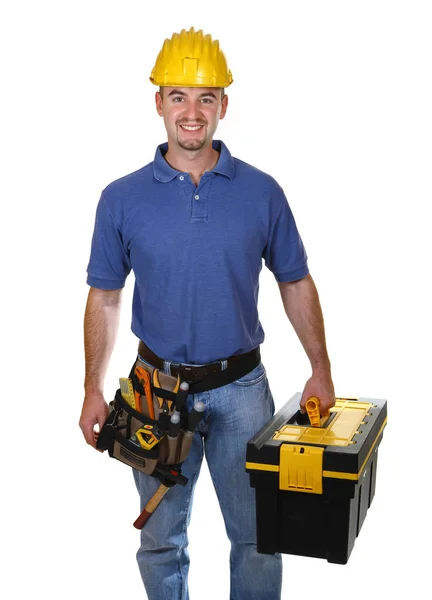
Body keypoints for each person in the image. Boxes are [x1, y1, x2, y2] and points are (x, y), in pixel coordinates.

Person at [79, 27, 335, 600]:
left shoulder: (263, 192)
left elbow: (294, 280)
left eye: (205, 97)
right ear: (158, 103)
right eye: (178, 96)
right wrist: (93, 387)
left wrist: (320, 368)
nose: (191, 113)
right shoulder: (120, 198)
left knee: (259, 538)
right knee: (162, 541)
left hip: (243, 390)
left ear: (224, 104)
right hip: (155, 392)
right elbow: (105, 296)